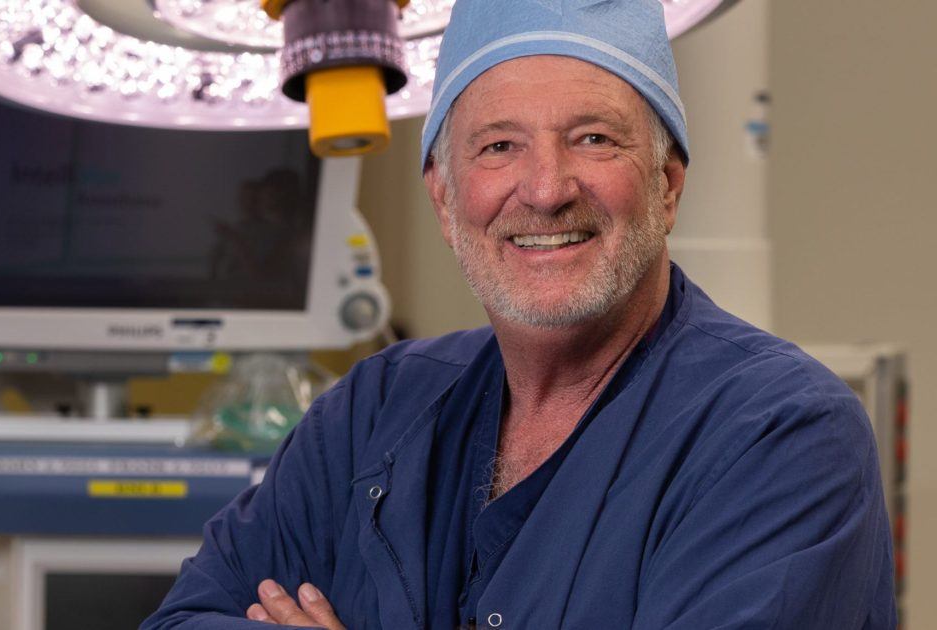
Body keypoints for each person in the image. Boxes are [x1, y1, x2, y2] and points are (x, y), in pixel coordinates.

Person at [142, 0, 897, 627]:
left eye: (592, 139)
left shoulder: (779, 437)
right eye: (499, 146)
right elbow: (185, 619)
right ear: (444, 197)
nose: (544, 189)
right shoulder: (371, 415)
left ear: (666, 185)